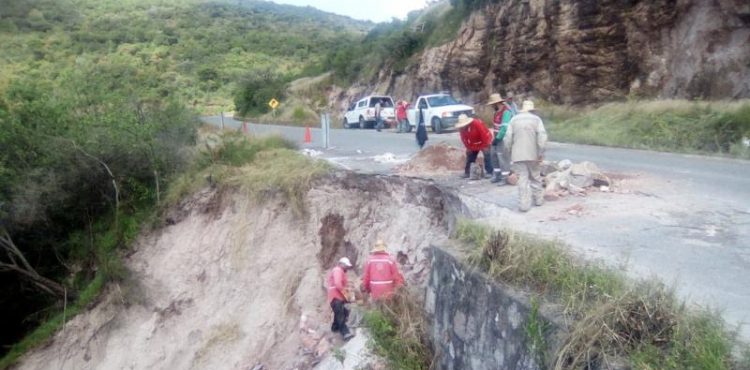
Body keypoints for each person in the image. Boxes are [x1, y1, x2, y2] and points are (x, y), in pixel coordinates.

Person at [503, 100, 547, 212]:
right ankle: (538, 200)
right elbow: (542, 138)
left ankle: (524, 205)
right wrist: (541, 153)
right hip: (533, 155)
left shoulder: (513, 120)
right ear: (532, 110)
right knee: (535, 177)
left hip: (517, 155)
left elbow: (507, 139)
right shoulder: (537, 120)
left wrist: (509, 151)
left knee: (522, 180)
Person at [486, 93, 514, 185]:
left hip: (503, 139)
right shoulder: (496, 112)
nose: (491, 106)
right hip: (496, 137)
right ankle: (497, 174)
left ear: (497, 103)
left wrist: (498, 138)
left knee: (502, 158)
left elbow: (504, 128)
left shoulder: (506, 112)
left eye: (492, 105)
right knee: (494, 156)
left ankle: (505, 177)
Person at [456, 114, 494, 179]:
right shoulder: (462, 128)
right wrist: (468, 147)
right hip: (473, 143)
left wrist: (486, 145)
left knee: (487, 154)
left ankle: (489, 172)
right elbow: (464, 139)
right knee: (470, 156)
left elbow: (484, 134)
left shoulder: (476, 123)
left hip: (483, 140)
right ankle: (467, 172)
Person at [327, 257, 355, 340]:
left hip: (337, 296)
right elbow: (338, 284)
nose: (347, 268)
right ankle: (345, 333)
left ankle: (335, 327)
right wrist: (347, 295)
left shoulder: (340, 271)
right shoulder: (337, 270)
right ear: (341, 264)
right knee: (341, 314)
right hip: (336, 296)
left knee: (339, 312)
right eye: (346, 266)